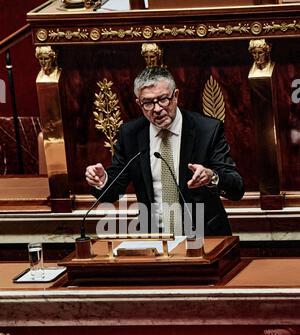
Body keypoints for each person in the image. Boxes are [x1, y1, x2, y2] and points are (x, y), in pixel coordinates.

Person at [85, 67, 244, 236]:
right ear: (139, 103)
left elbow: (236, 188)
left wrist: (212, 176)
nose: (157, 109)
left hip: (204, 234)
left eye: (163, 99)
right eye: (148, 103)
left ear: (175, 96)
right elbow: (113, 190)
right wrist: (102, 181)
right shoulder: (130, 134)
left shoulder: (207, 130)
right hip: (154, 238)